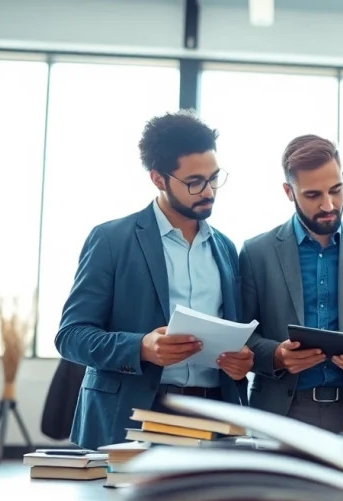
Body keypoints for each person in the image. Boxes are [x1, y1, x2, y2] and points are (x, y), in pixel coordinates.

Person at [56, 110, 253, 450]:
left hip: (214, 415)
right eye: (194, 182)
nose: (209, 191)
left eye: (214, 177)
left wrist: (242, 362)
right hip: (133, 415)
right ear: (158, 179)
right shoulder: (111, 240)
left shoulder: (225, 248)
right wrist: (141, 347)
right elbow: (71, 337)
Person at [239, 134, 343, 433]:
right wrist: (277, 356)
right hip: (278, 413)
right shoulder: (256, 252)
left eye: (336, 190)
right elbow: (241, 335)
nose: (328, 204)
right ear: (288, 191)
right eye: (313, 195)